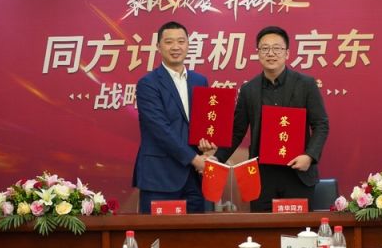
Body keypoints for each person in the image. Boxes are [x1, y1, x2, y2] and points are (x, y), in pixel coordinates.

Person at [201, 25, 329, 212]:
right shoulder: (249, 90)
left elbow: (321, 124)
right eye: (265, 48)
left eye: (277, 48)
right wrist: (217, 158)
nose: (271, 53)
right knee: (263, 228)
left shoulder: (306, 84)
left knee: (298, 228)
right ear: (258, 53)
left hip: (298, 173)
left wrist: (309, 156)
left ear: (287, 53)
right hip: (261, 177)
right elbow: (237, 131)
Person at [132, 21, 209, 214]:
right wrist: (194, 159)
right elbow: (160, 129)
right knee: (157, 232)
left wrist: (208, 147)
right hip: (160, 177)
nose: (176, 47)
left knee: (196, 232)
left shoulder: (200, 81)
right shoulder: (148, 84)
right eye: (169, 42)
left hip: (195, 179)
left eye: (181, 41)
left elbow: (204, 124)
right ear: (159, 47)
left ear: (188, 45)